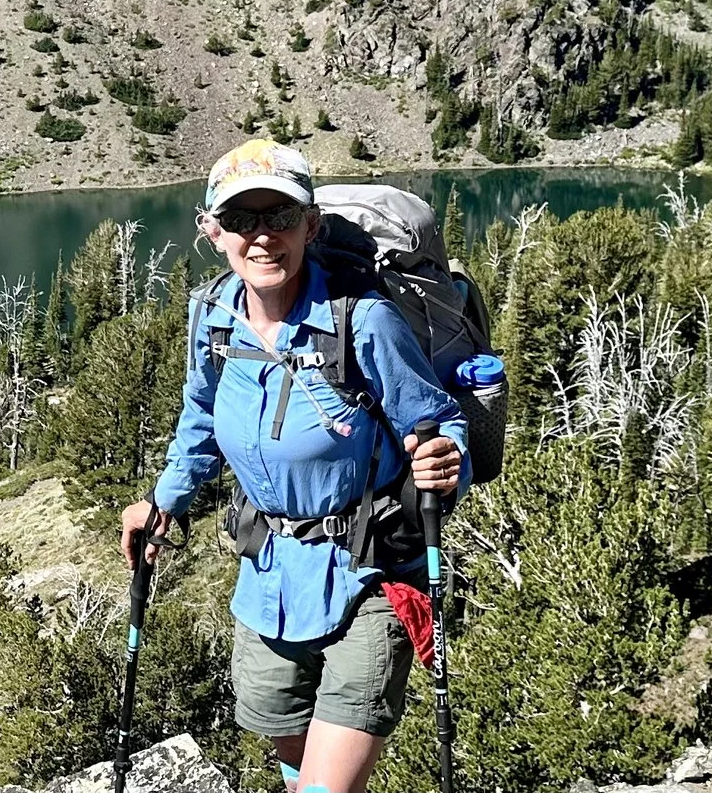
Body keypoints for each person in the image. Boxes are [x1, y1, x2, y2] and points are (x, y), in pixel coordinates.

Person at [120, 139, 468, 793]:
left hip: (367, 577)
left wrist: (446, 458)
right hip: (268, 581)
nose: (262, 236)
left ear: (310, 225)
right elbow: (200, 419)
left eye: (279, 215)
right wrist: (163, 502)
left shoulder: (363, 321)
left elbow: (437, 421)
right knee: (296, 766)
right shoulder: (212, 318)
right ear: (213, 231)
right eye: (241, 219)